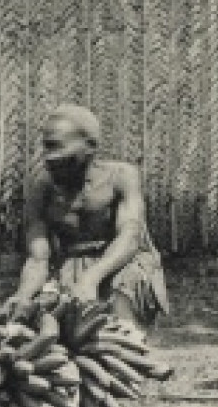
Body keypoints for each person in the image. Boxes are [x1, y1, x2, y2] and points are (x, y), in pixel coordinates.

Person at [11, 105, 170, 331]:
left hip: (122, 260)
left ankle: (128, 338)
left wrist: (91, 278)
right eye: (46, 147)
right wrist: (23, 295)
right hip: (70, 263)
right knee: (51, 326)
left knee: (121, 317)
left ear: (91, 146)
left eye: (57, 147)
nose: (49, 158)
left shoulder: (121, 176)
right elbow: (38, 257)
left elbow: (131, 237)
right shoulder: (41, 185)